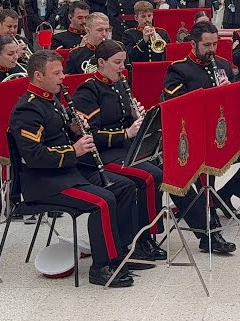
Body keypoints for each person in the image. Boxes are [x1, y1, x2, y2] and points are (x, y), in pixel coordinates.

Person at [8, 49, 135, 287]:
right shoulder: (28, 109)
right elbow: (34, 156)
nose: (63, 77)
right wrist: (74, 150)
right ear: (38, 76)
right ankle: (101, 267)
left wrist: (74, 130)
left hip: (67, 173)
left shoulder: (50, 98)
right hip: (45, 182)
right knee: (102, 201)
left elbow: (57, 134)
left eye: (62, 72)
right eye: (56, 73)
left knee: (124, 186)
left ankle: (122, 251)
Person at [71, 40, 178, 263]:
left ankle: (145, 235)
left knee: (159, 169)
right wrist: (127, 133)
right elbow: (90, 135)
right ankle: (141, 239)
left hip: (122, 150)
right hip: (99, 155)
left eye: (123, 62)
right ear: (101, 62)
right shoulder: (88, 90)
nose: (122, 67)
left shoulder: (119, 84)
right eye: (117, 62)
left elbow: (123, 118)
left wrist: (136, 115)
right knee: (149, 176)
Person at [162, 20, 240, 241]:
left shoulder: (222, 64)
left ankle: (226, 194)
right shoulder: (179, 69)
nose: (212, 50)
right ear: (193, 44)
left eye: (214, 45)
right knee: (204, 169)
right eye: (207, 46)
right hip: (197, 136)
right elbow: (176, 106)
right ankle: (207, 220)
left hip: (223, 131)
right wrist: (210, 96)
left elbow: (236, 98)